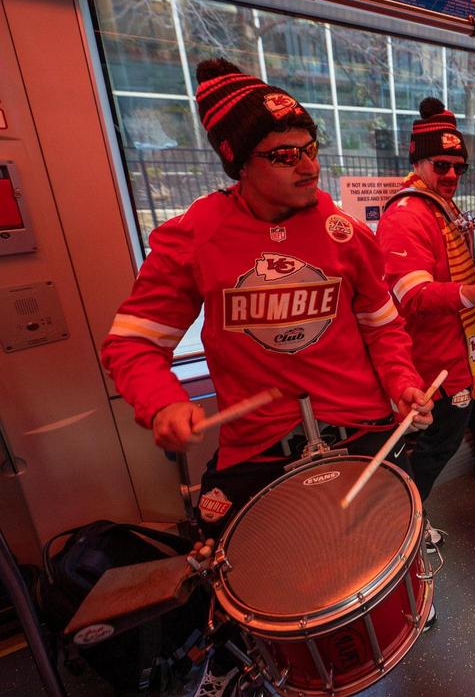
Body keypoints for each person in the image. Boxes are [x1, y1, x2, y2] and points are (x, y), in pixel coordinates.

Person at [101, 59, 432, 539]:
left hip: (362, 429)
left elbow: (382, 327)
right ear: (237, 160)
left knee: (386, 547)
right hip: (257, 445)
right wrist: (164, 404)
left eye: (311, 148)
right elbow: (133, 345)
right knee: (225, 561)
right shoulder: (196, 235)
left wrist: (402, 382)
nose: (310, 166)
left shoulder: (346, 232)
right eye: (283, 155)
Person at [378, 98, 475, 512]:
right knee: (439, 442)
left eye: (458, 166)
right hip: (439, 354)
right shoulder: (406, 215)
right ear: (419, 163)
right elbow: (413, 296)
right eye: (440, 165)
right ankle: (404, 519)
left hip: (469, 340)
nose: (451, 175)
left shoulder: (440, 206)